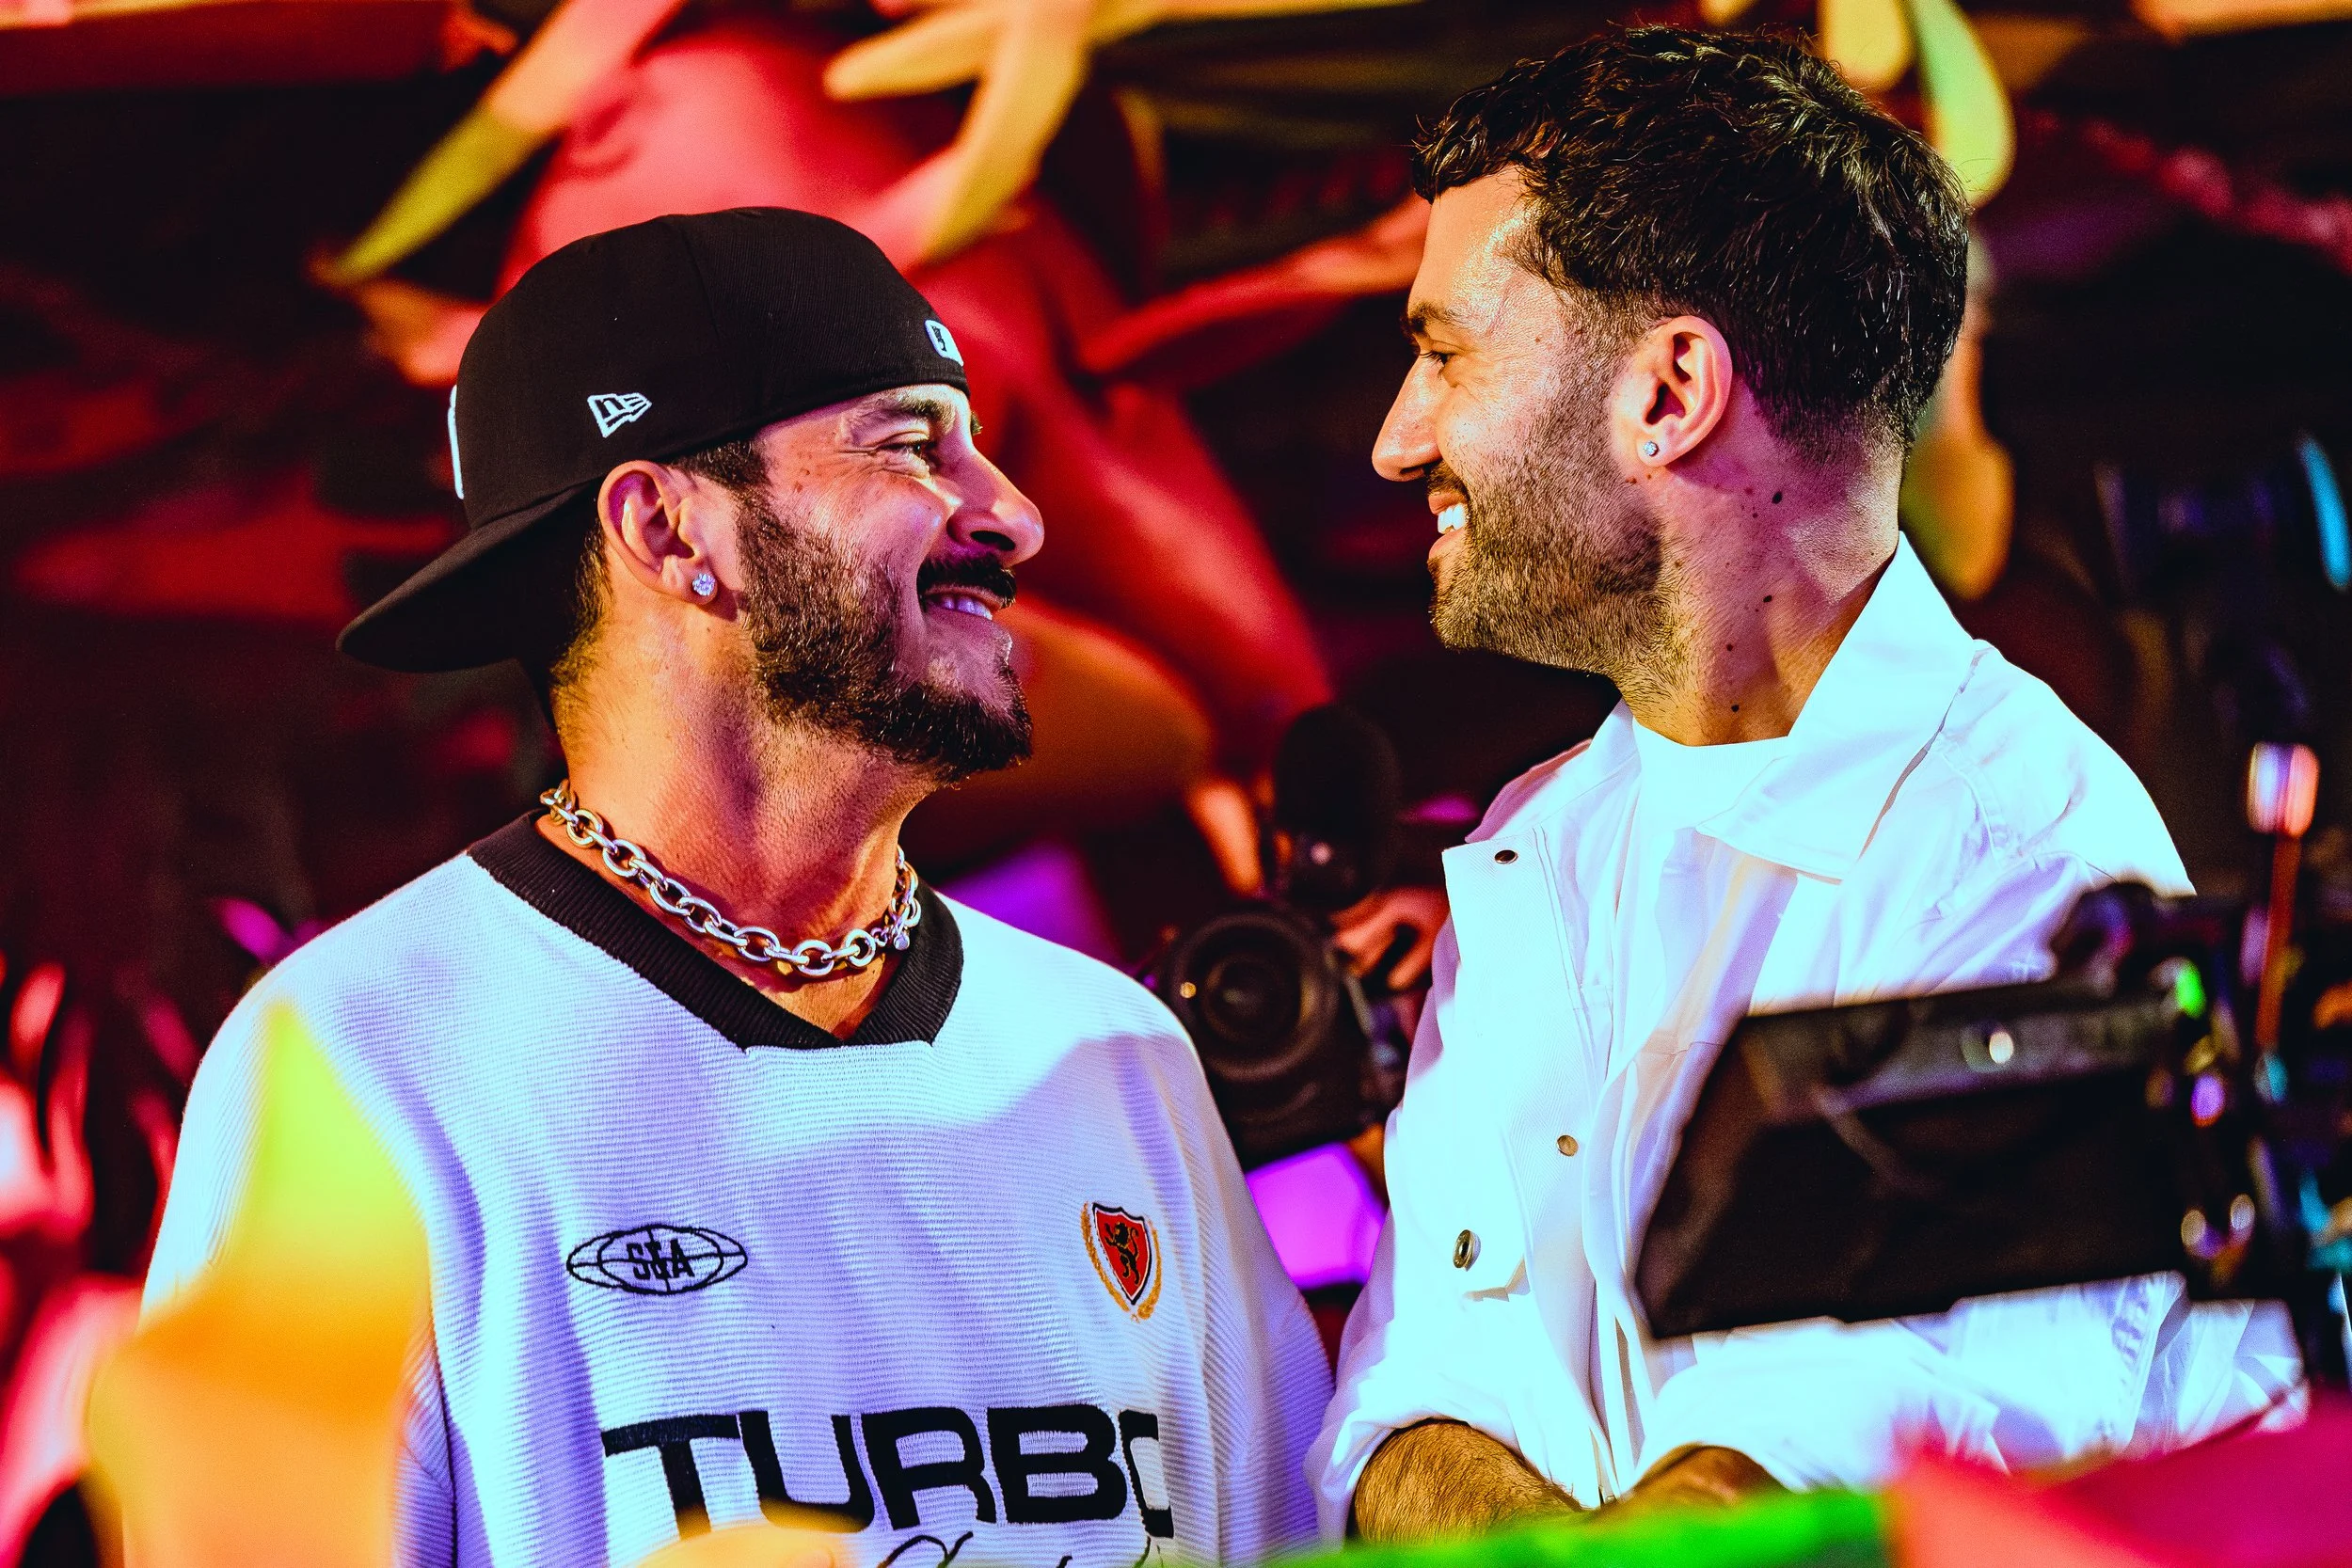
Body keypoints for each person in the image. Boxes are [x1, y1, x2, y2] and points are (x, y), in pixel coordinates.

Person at [143, 208, 1329, 1568]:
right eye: (911, 443)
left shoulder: (1115, 1050)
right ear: (666, 527)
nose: (1013, 511)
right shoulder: (357, 1061)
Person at [1311, 29, 2301, 1541]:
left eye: (1446, 351)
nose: (1399, 438)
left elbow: (1837, 1469)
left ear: (1669, 392)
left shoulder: (2028, 861)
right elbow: (1401, 1419)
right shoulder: (1531, 851)